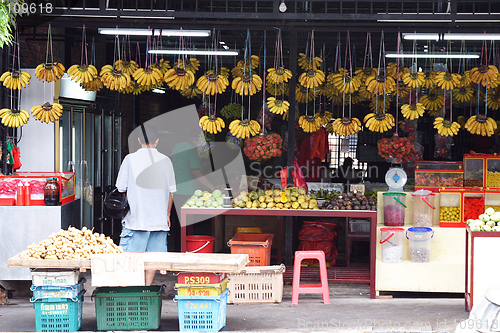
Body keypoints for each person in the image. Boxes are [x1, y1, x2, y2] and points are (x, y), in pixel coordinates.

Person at [116, 124, 176, 286]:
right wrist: (167, 215)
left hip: (136, 219)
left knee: (131, 259)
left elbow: (121, 188)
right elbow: (171, 192)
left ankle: (134, 289)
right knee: (153, 258)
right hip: (159, 220)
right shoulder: (166, 161)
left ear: (139, 140)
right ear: (157, 141)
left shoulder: (129, 159)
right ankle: (146, 287)